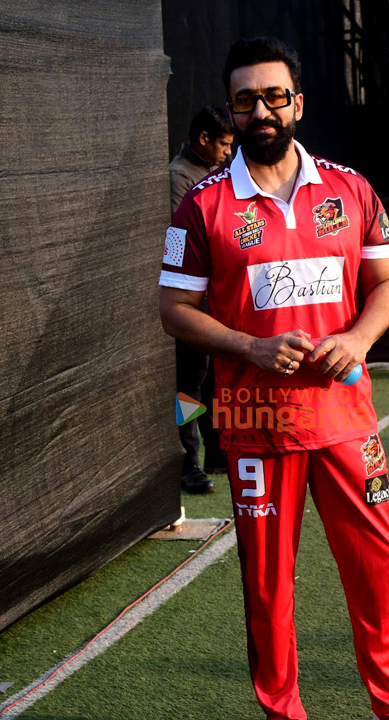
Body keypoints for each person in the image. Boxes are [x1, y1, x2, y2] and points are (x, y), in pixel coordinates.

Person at [159, 37, 389, 720]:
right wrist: (248, 345)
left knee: (378, 562)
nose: (261, 111)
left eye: (274, 97)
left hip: (345, 420)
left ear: (297, 102)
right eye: (245, 100)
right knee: (268, 580)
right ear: (231, 111)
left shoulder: (350, 188)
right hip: (256, 428)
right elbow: (173, 308)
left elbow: (388, 285)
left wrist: (359, 339)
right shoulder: (201, 204)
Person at [170, 107, 234, 492]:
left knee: (212, 380)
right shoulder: (178, 177)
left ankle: (216, 450)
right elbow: (180, 239)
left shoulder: (217, 175)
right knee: (189, 385)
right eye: (223, 144)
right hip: (190, 300)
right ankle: (187, 461)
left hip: (214, 296)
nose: (228, 152)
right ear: (204, 139)